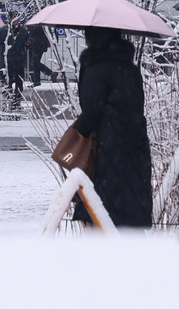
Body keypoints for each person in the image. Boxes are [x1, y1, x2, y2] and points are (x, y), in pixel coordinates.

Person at [71, 27, 153, 228]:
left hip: (104, 150)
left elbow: (92, 111)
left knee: (101, 212)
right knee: (129, 211)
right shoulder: (131, 70)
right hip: (134, 148)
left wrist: (76, 133)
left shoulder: (95, 70)